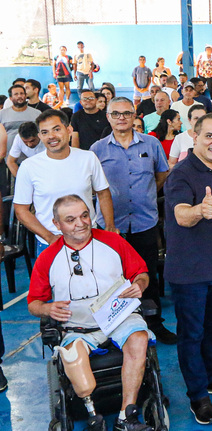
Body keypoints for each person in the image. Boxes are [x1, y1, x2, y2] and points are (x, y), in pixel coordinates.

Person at [27, 195, 153, 431]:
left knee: (139, 338)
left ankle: (127, 416)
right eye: (71, 219)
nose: (81, 223)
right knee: (74, 360)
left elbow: (141, 272)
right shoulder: (47, 258)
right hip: (77, 326)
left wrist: (140, 284)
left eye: (85, 215)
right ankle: (93, 415)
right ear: (57, 225)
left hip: (119, 317)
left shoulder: (113, 242)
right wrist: (47, 308)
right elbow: (33, 302)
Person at [165, 113, 212, 424]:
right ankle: (198, 396)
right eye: (210, 136)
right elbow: (181, 214)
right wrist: (199, 209)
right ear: (193, 137)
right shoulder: (181, 175)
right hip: (189, 272)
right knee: (191, 334)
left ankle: (211, 377)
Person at [90, 97, 174, 344]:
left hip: (143, 221)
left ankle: (154, 323)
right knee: (109, 278)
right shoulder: (97, 149)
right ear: (108, 117)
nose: (121, 118)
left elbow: (161, 175)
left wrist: (145, 195)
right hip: (109, 226)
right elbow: (93, 186)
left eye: (126, 113)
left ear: (135, 115)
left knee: (146, 273)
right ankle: (111, 326)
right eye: (115, 114)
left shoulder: (152, 143)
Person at [14, 109, 115, 255]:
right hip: (49, 243)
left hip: (88, 237)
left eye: (56, 129)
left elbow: (103, 193)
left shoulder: (88, 158)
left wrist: (109, 226)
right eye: (45, 132)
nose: (51, 136)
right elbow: (21, 210)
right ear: (40, 136)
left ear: (69, 130)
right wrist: (50, 237)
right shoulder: (29, 166)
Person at [0, 83, 41, 151]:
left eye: (22, 93)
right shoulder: (2, 114)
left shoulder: (37, 113)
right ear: (10, 98)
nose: (19, 96)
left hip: (32, 155)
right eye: (16, 94)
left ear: (25, 96)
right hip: (8, 155)